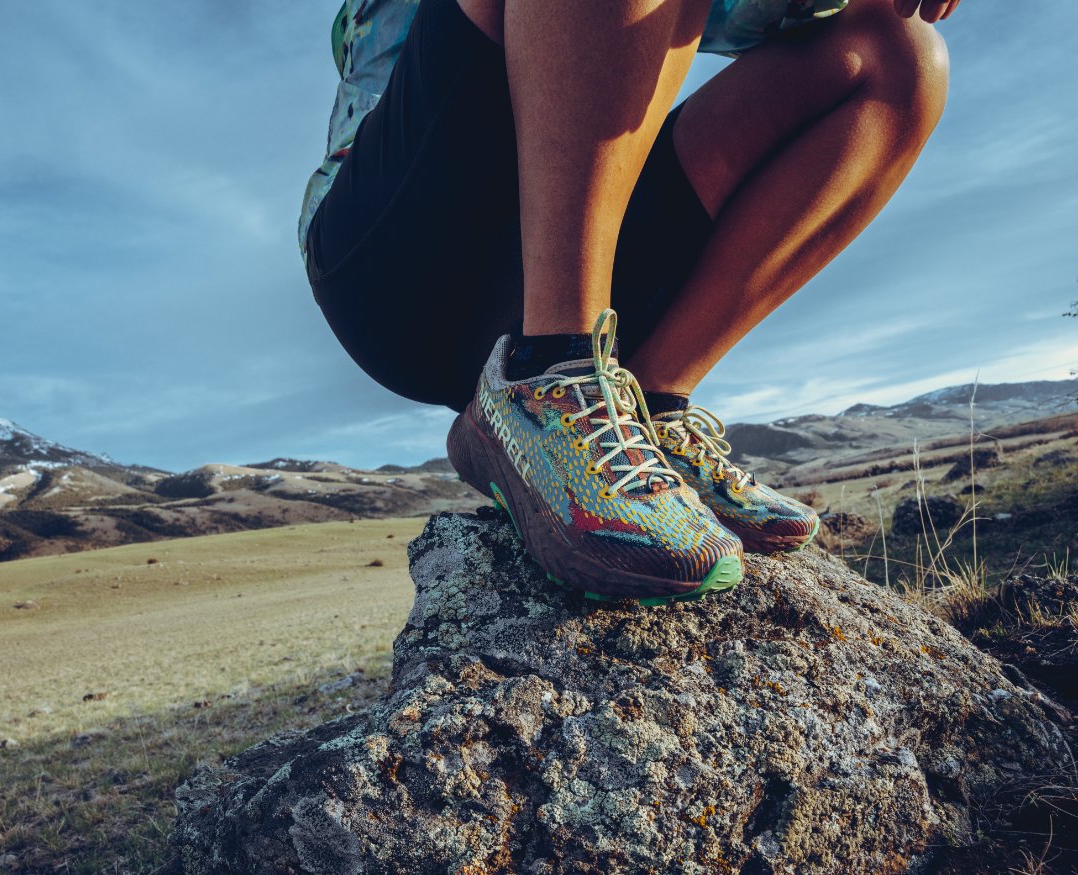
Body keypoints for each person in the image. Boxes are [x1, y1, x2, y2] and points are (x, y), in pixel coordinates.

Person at [299, 0, 953, 603]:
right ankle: (547, 373)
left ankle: (646, 402)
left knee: (894, 54)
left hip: (581, 240)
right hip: (400, 265)